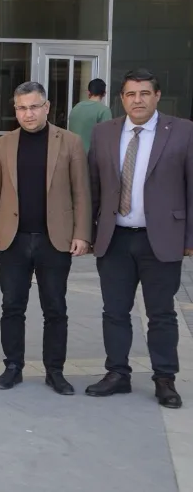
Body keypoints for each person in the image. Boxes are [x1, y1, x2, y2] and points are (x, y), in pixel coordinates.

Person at [85, 69, 193, 409]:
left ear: (157, 96)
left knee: (161, 314)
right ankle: (117, 373)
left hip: (161, 239)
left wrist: (189, 238)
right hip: (115, 239)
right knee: (115, 311)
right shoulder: (104, 132)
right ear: (121, 98)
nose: (138, 100)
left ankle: (164, 379)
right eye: (131, 94)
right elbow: (92, 187)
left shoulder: (183, 131)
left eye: (145, 93)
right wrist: (88, 234)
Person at [0, 81, 90, 395]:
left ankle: (55, 371)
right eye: (22, 108)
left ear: (47, 107)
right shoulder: (3, 144)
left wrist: (82, 233)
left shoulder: (70, 142)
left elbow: (82, 193)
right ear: (15, 110)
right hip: (12, 240)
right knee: (12, 306)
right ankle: (13, 367)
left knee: (55, 308)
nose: (28, 114)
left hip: (55, 240)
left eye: (34, 107)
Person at [67, 78, 112, 154]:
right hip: (91, 158)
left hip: (71, 155)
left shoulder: (76, 108)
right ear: (104, 93)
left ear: (88, 92)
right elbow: (106, 139)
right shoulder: (104, 111)